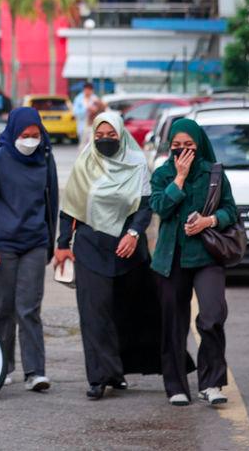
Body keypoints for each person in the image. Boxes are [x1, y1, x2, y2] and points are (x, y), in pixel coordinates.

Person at [54, 112, 162, 400]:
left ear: (121, 134)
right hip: (90, 246)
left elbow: (145, 204)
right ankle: (98, 377)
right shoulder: (85, 162)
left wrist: (134, 233)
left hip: (128, 249)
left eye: (111, 135)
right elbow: (70, 208)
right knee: (94, 313)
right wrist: (62, 243)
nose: (104, 140)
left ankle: (118, 371)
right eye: (99, 136)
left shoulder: (137, 163)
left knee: (125, 313)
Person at [150, 118, 237, 407]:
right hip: (170, 258)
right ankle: (175, 385)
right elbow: (160, 206)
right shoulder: (162, 173)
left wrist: (208, 221)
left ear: (199, 145)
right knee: (173, 323)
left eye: (189, 146)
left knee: (212, 316)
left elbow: (230, 211)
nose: (183, 151)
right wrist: (179, 178)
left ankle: (211, 383)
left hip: (206, 255)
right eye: (176, 146)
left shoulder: (213, 173)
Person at [0, 107, 59, 391]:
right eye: (25, 135)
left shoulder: (45, 157)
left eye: (35, 135)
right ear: (14, 133)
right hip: (3, 245)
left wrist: (52, 241)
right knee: (2, 309)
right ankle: (2, 366)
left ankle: (35, 371)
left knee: (29, 309)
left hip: (35, 242)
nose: (31, 140)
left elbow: (53, 201)